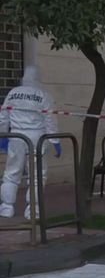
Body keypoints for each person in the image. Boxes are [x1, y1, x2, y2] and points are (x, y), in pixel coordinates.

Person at [0, 67, 61, 220]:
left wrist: (3, 135)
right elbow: (50, 120)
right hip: (36, 138)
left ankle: (6, 208)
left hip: (16, 136)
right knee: (37, 175)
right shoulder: (43, 95)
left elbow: (3, 116)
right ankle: (33, 210)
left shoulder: (13, 93)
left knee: (11, 173)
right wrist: (55, 141)